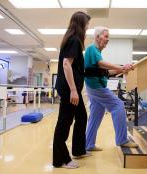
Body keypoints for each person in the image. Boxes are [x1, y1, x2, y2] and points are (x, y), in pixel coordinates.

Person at [84, 26, 138, 151]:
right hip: (96, 87)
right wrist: (121, 67)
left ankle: (89, 144)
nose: (108, 40)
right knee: (118, 105)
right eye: (106, 36)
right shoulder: (92, 49)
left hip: (94, 86)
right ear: (98, 37)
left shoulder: (97, 53)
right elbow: (102, 64)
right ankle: (122, 140)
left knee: (96, 113)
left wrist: (123, 69)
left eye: (109, 37)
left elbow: (107, 73)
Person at [52, 11, 91, 169]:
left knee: (81, 116)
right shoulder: (74, 40)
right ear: (81, 24)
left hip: (70, 88)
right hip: (69, 89)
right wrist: (74, 90)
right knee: (64, 123)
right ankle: (61, 160)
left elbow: (74, 67)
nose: (88, 27)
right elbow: (66, 64)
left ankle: (78, 150)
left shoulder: (72, 39)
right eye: (87, 24)